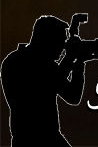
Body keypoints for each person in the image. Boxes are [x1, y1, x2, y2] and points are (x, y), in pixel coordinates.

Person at [3, 16, 88, 147]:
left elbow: (63, 87)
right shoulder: (31, 63)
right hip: (41, 138)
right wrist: (75, 60)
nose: (63, 47)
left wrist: (75, 61)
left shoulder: (13, 60)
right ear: (48, 40)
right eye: (60, 41)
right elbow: (68, 93)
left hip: (28, 138)